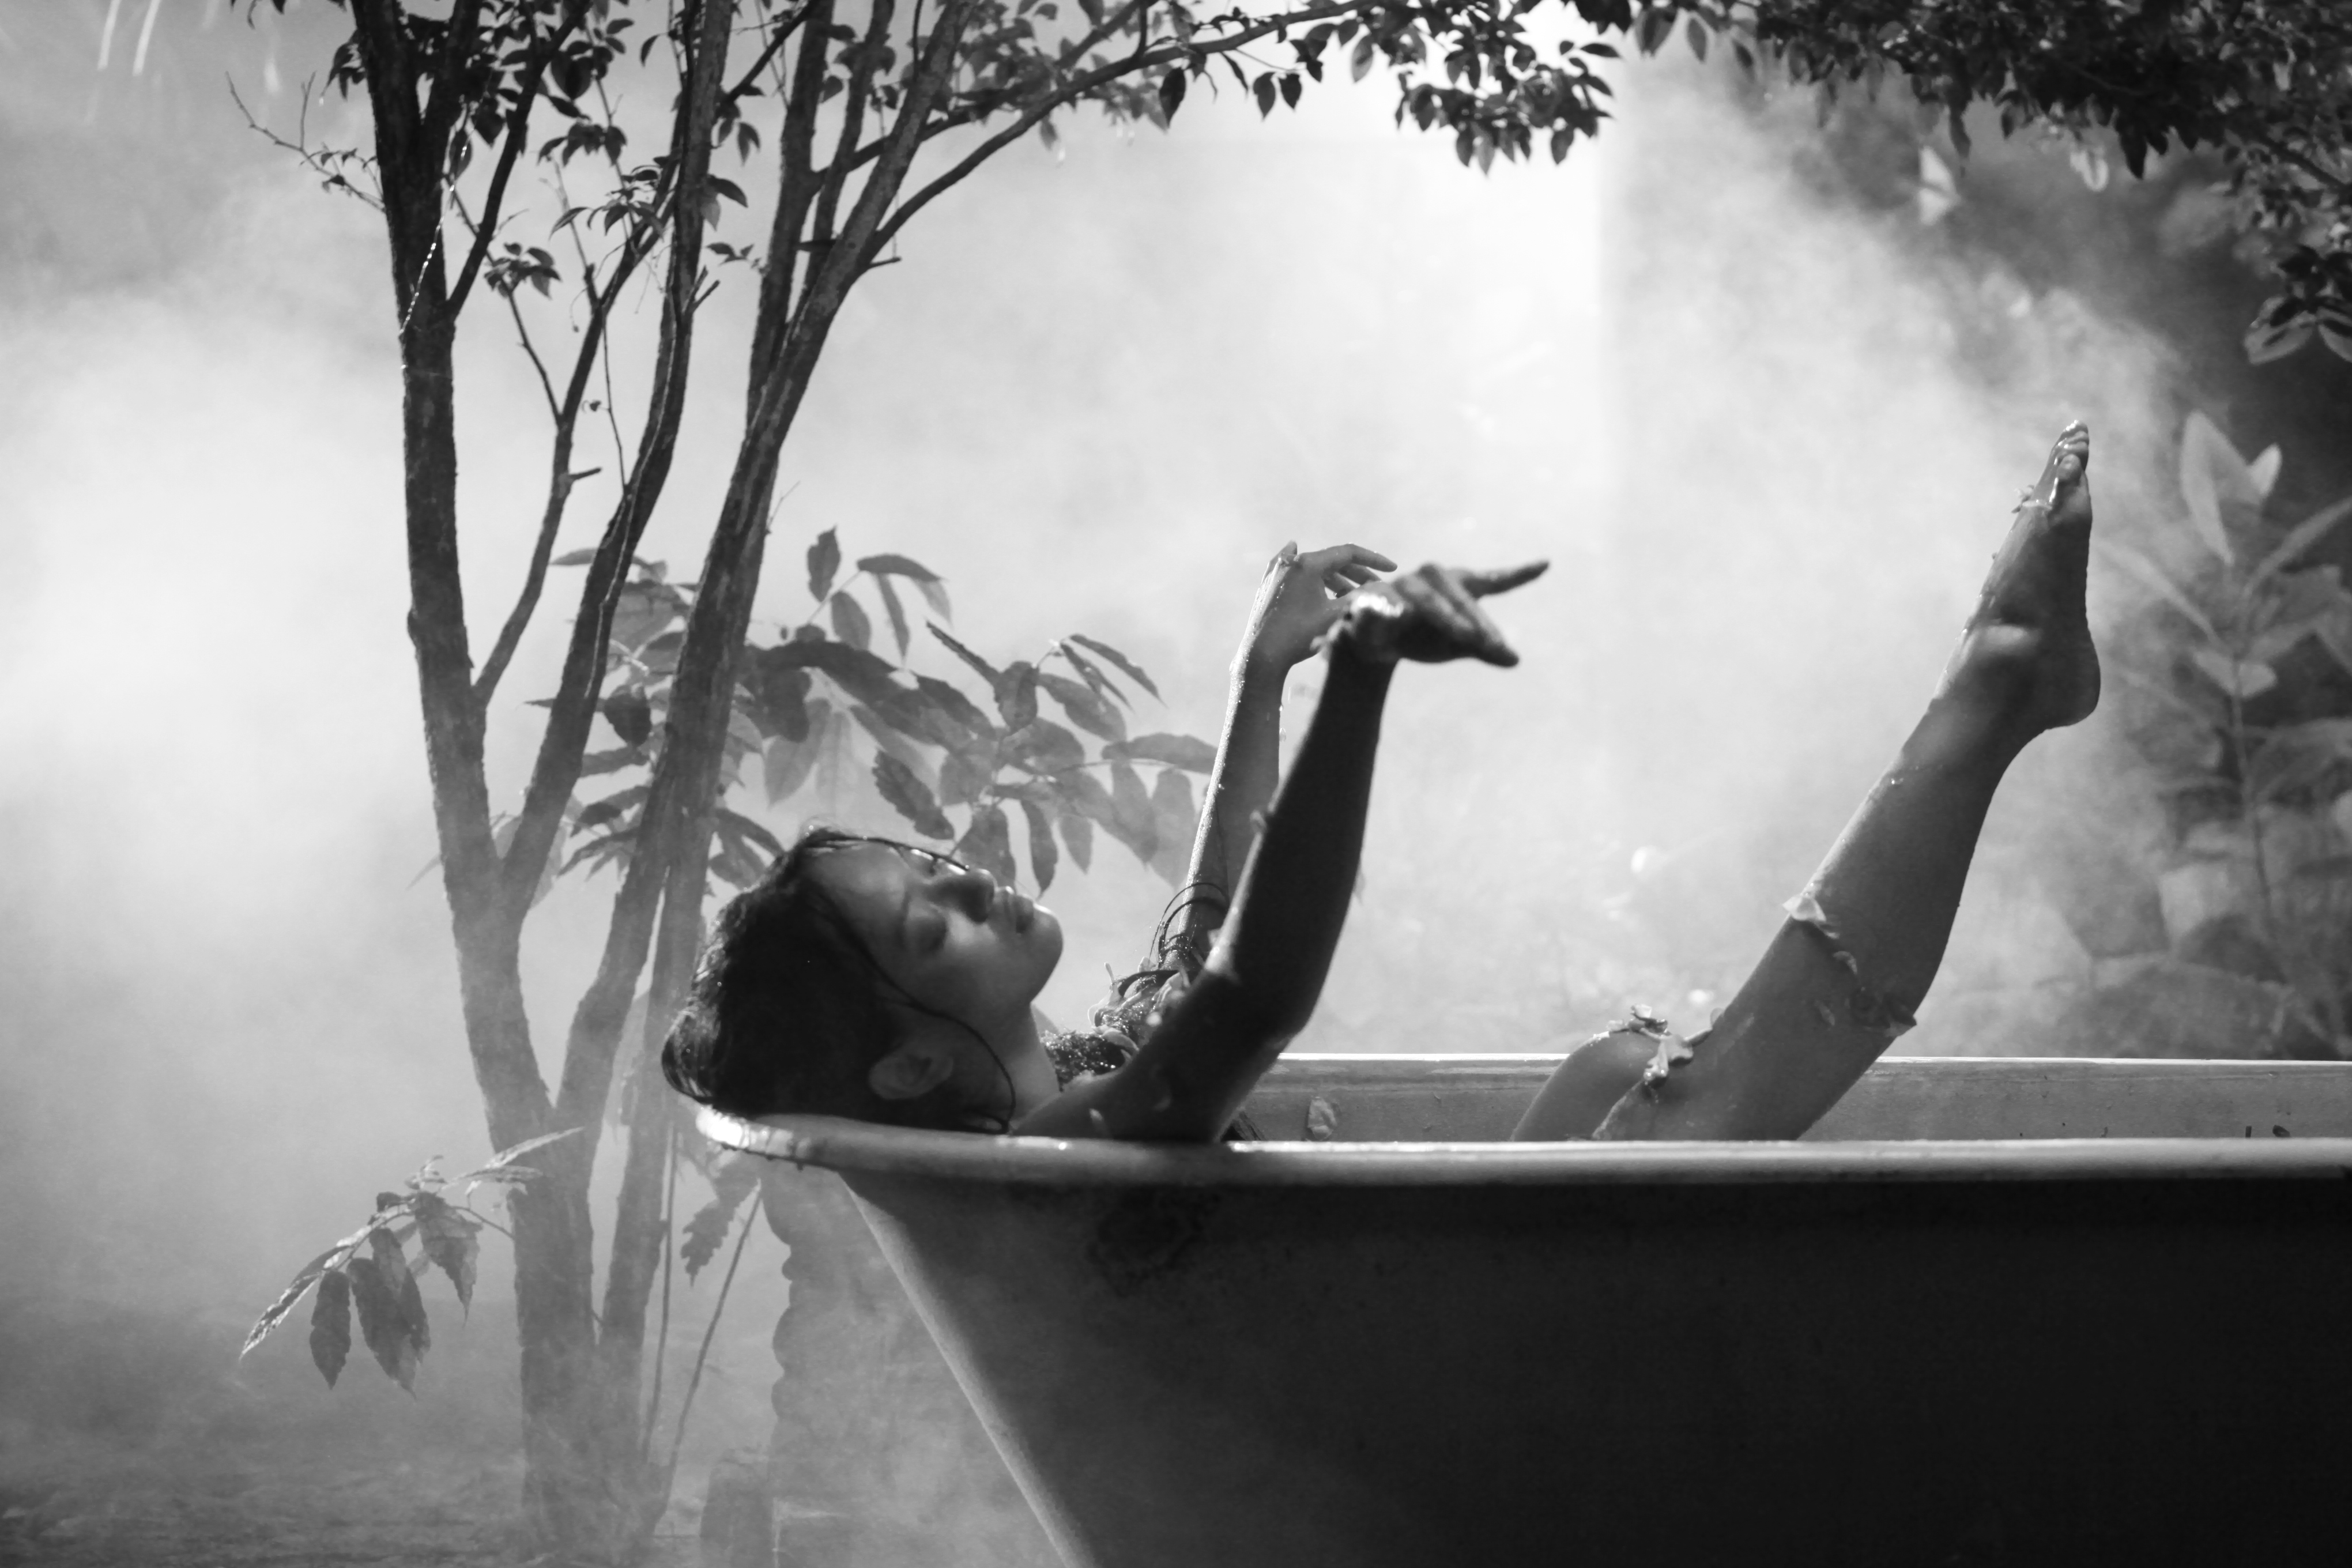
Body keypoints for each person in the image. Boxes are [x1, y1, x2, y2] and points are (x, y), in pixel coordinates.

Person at [663, 422, 2097, 1145]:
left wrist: (1260, 673)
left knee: (1616, 1076)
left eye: (934, 865)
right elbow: (1249, 990)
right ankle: (1990, 696)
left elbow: (1205, 924)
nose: (973, 881)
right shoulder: (1067, 1145)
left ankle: (2001, 690)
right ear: (911, 1067)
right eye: (934, 925)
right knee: (1677, 1119)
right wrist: (1356, 678)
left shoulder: (1087, 1079)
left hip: (1421, 1341)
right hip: (1419, 1387)